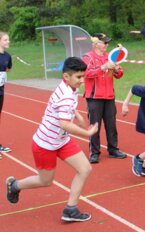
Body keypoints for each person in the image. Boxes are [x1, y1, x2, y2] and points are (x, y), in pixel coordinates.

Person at [5, 57, 99, 222]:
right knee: (45, 181)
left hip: (61, 141)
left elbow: (63, 109)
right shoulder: (66, 96)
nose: (82, 80)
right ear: (66, 77)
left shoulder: (69, 88)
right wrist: (88, 133)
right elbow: (64, 124)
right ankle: (14, 186)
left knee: (85, 169)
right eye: (78, 77)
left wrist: (76, 114)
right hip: (45, 145)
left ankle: (71, 209)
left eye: (83, 76)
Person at [82, 33, 127, 164]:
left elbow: (119, 74)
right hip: (94, 97)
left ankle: (113, 150)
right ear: (96, 44)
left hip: (109, 96)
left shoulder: (110, 57)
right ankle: (94, 153)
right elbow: (86, 73)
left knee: (111, 125)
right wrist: (103, 67)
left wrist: (117, 69)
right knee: (95, 126)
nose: (107, 45)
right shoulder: (87, 57)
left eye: (108, 43)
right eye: (104, 42)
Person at [0, 31, 12, 154]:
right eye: (5, 40)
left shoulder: (7, 56)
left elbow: (8, 68)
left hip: (1, 91)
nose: (8, 42)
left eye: (8, 39)